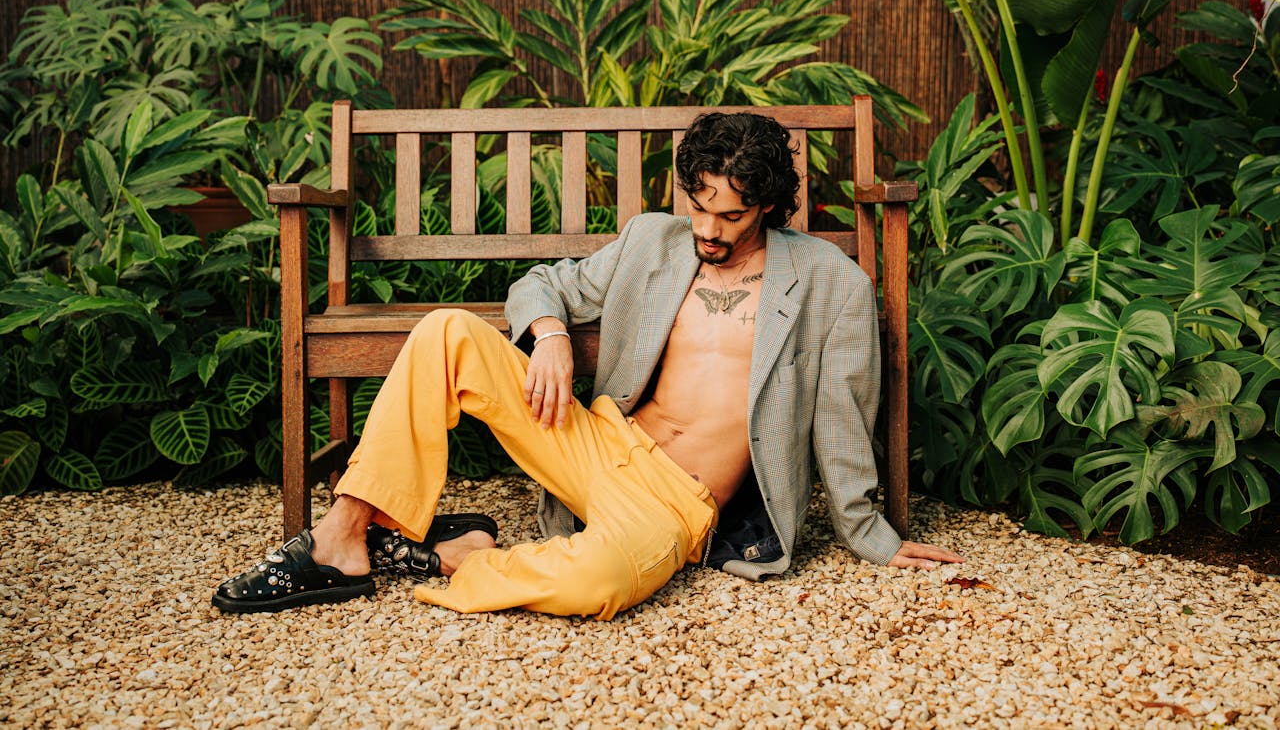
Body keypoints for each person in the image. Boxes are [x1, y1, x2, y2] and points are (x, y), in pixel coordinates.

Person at [213, 112, 962, 619]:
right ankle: (342, 537)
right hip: (596, 439)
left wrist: (875, 537)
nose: (706, 228)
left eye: (729, 215)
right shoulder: (652, 240)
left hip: (674, 505)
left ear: (767, 204)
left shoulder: (832, 284)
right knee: (446, 331)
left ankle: (457, 558)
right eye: (698, 206)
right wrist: (551, 335)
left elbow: (842, 420)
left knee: (597, 581)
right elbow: (543, 285)